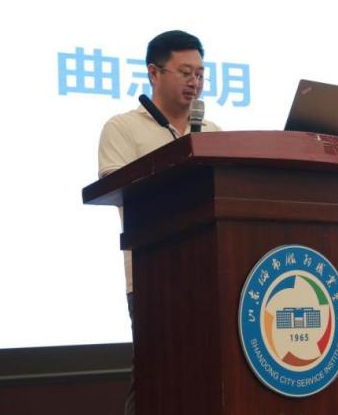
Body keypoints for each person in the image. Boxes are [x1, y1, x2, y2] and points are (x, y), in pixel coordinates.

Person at [96, 30, 221, 415]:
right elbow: (118, 189)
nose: (194, 82)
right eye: (185, 72)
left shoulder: (213, 133)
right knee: (153, 376)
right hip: (152, 276)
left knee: (208, 374)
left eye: (200, 74)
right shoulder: (122, 128)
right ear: (154, 72)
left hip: (211, 273)